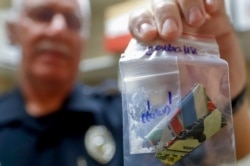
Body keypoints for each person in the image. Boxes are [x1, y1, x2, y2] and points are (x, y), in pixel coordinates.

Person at [0, 0, 249, 166]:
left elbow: (222, 151)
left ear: (83, 42)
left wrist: (221, 87)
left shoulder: (127, 117)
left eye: (72, 22)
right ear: (12, 30)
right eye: (42, 16)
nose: (57, 30)